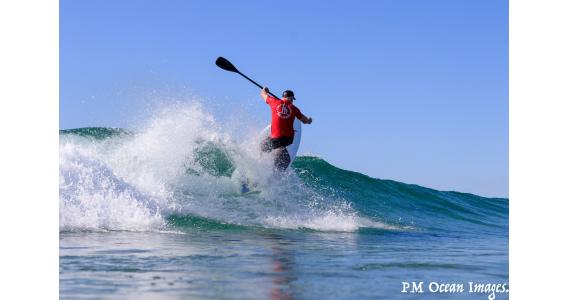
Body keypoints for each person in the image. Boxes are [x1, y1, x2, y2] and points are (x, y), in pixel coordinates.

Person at [260, 87, 312, 171]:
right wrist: (309, 120)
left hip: (276, 138)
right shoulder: (294, 109)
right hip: (288, 139)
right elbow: (305, 121)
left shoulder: (274, 101)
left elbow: (263, 94)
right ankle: (280, 158)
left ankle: (259, 164)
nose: (293, 101)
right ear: (291, 98)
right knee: (281, 146)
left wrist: (265, 90)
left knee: (262, 147)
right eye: (292, 99)